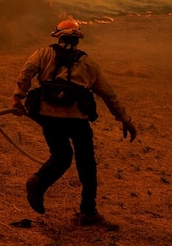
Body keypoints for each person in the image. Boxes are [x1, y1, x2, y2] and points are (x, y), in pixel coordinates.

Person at [11, 17, 138, 226]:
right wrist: (124, 118)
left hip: (48, 117)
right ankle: (88, 211)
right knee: (86, 162)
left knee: (61, 155)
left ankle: (38, 182)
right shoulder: (88, 64)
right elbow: (109, 94)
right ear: (78, 39)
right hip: (77, 120)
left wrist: (18, 97)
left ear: (57, 36)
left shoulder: (43, 54)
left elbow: (26, 72)